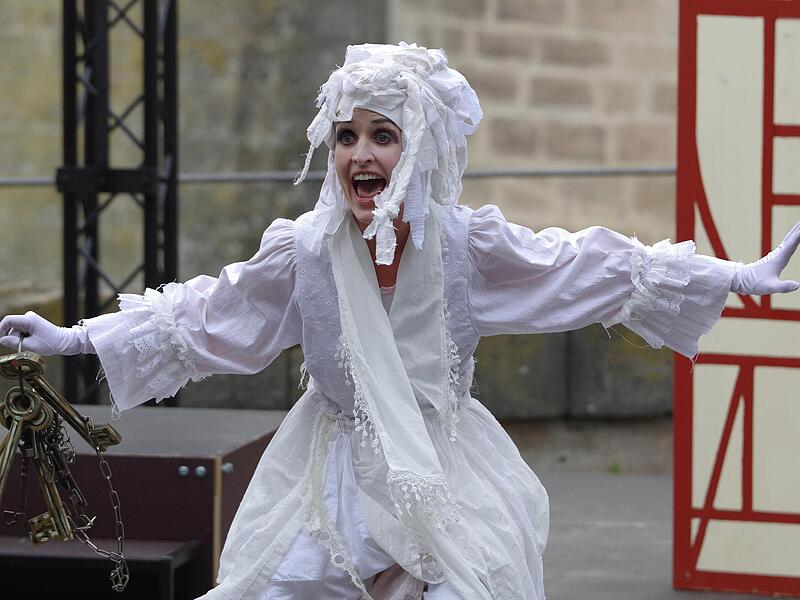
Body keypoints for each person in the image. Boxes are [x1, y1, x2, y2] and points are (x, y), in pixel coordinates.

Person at [1, 43, 799, 600]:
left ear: (416, 150)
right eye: (347, 137)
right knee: (274, 587)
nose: (360, 155)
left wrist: (734, 275)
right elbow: (213, 310)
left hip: (444, 467)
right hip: (330, 472)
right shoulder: (306, 250)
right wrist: (74, 338)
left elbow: (584, 264)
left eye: (384, 135)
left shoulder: (465, 246)